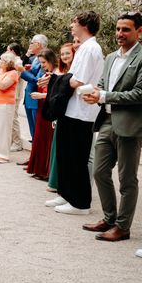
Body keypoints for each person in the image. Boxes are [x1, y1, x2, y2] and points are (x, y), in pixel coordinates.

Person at [82, 11, 142, 244]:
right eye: (118, 29)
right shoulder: (110, 57)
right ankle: (109, 218)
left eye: (125, 29)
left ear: (139, 31)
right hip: (106, 121)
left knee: (127, 179)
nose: (120, 34)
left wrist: (105, 95)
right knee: (99, 171)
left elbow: (139, 93)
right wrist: (94, 94)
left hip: (129, 125)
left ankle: (122, 226)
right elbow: (102, 84)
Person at [46, 11, 104, 215]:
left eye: (74, 22)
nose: (71, 25)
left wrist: (56, 80)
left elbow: (77, 80)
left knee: (76, 158)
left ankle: (80, 203)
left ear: (85, 25)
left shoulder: (90, 49)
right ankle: (66, 194)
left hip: (81, 112)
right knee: (65, 155)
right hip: (72, 110)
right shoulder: (85, 48)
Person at [46, 43, 75, 193]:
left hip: (72, 112)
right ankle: (54, 182)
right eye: (62, 54)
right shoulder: (59, 71)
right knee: (57, 147)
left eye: (67, 54)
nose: (64, 57)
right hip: (60, 112)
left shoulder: (76, 71)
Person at [25, 48, 57, 180]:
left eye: (43, 62)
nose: (42, 65)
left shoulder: (56, 74)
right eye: (41, 62)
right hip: (40, 108)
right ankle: (38, 169)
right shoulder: (46, 74)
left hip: (48, 109)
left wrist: (41, 95)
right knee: (39, 138)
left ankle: (46, 170)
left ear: (51, 60)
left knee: (47, 140)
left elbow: (56, 94)